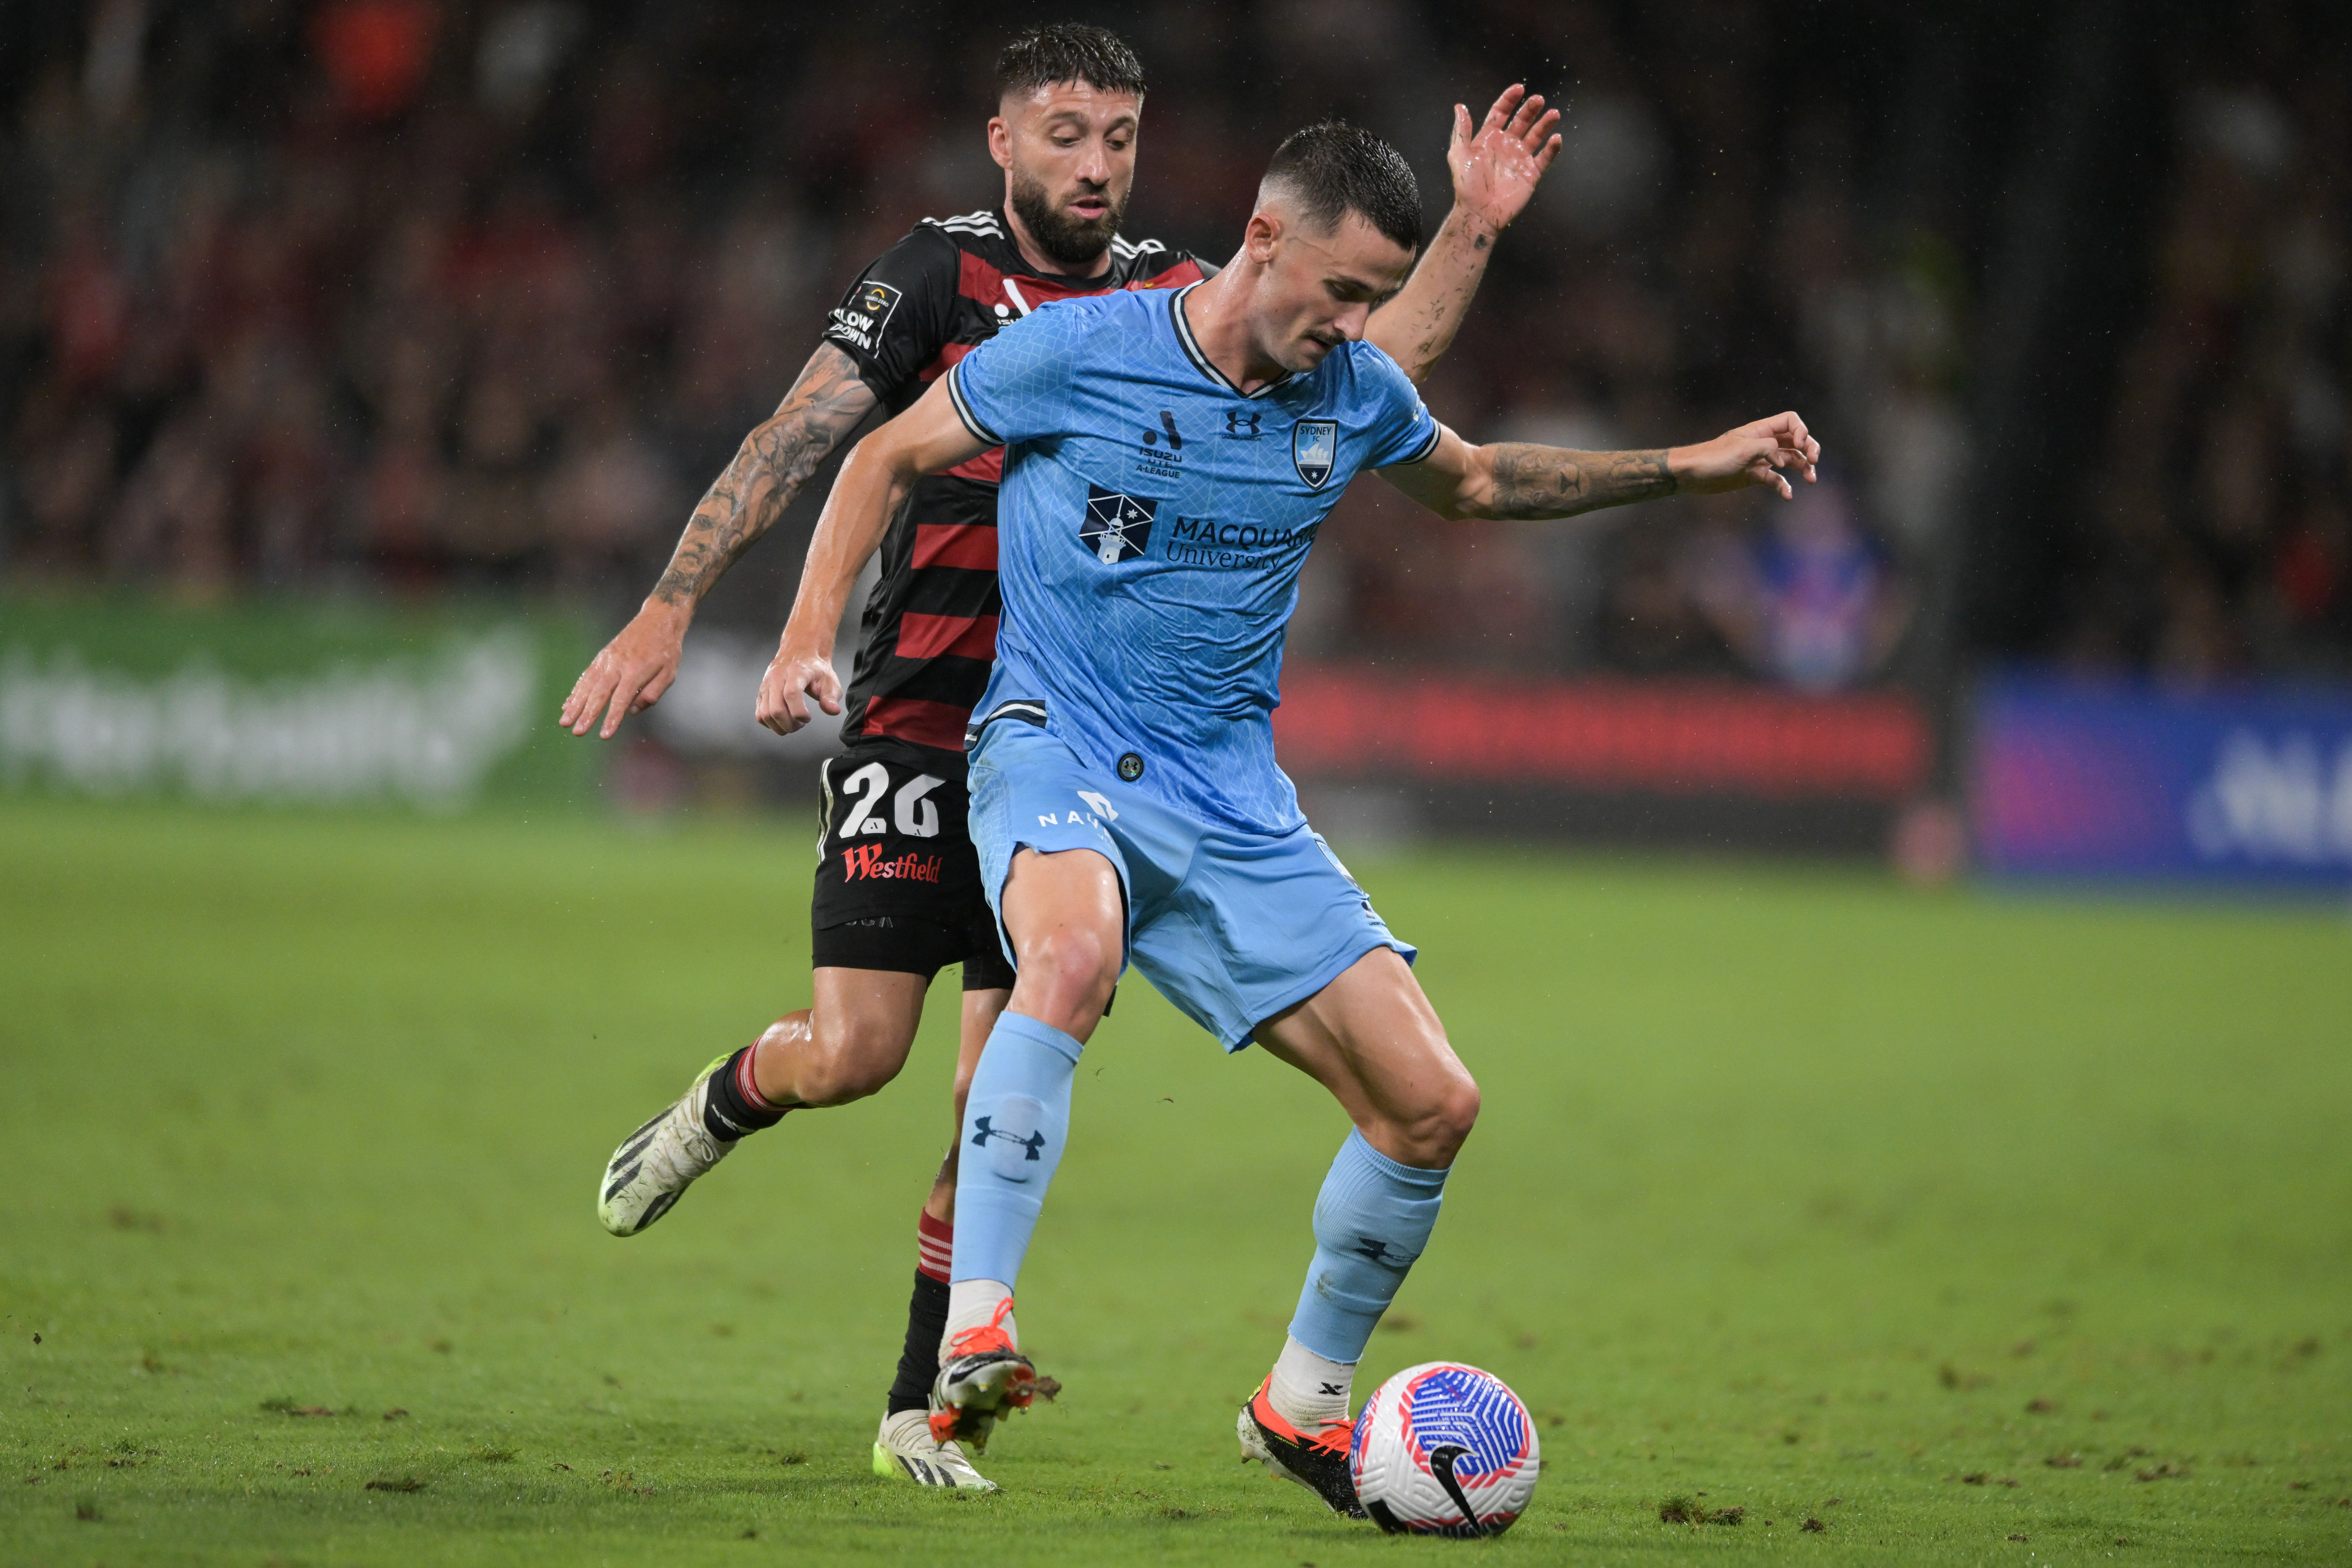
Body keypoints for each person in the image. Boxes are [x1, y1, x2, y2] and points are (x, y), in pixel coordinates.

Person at [756, 121, 1817, 1515]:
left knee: (1434, 1104)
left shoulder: (1350, 390)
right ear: (1265, 242)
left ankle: (1302, 1404)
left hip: (1233, 802)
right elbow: (883, 457)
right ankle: (979, 1332)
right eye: (1344, 291)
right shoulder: (1087, 353)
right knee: (1064, 963)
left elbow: (1482, 479)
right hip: (1053, 747)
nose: (1361, 324)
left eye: (1377, 299)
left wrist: (1688, 466)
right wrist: (803, 635)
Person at [558, 24, 1561, 1490]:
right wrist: (676, 607)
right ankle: (729, 1097)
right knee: (858, 1055)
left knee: (993, 1086)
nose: (1097, 164)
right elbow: (811, 437)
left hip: (1077, 736)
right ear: (1004, 140)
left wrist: (1470, 229)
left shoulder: (1180, 297)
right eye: (1067, 133)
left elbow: (1361, 372)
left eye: (1122, 136)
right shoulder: (937, 276)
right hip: (922, 704)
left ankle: (925, 1398)